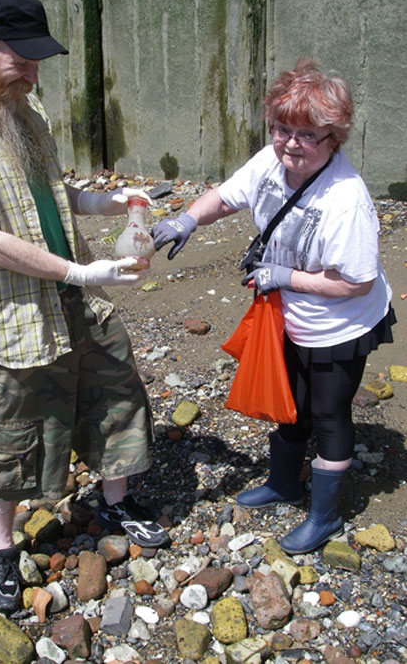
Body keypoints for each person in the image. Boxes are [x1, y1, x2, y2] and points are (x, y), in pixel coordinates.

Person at [0, 0, 169, 612]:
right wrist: (81, 271)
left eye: (37, 63)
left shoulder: (24, 108)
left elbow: (53, 192)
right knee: (10, 437)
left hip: (77, 297)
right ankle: (1, 550)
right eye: (22, 61)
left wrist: (110, 203)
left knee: (115, 395)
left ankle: (114, 503)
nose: (33, 75)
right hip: (12, 319)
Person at [152, 58, 394, 555]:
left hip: (338, 325)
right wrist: (187, 220)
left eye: (306, 134)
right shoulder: (270, 162)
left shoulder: (345, 200)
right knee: (290, 401)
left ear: (335, 138)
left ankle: (324, 516)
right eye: (282, 128)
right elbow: (225, 196)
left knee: (328, 414)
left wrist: (285, 276)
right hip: (287, 315)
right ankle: (285, 482)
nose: (289, 143)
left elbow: (356, 281)